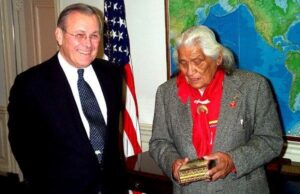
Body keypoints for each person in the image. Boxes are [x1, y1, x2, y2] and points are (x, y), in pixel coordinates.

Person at [8, 3, 126, 194]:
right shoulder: (30, 84)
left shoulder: (112, 74)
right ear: (59, 35)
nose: (88, 43)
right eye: (79, 35)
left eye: (94, 35)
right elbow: (22, 145)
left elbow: (111, 140)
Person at [149, 25, 283, 194]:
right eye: (183, 63)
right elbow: (159, 142)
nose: (190, 71)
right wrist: (173, 164)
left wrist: (233, 160)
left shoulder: (253, 87)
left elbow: (271, 140)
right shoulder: (166, 93)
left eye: (197, 61)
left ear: (218, 58)